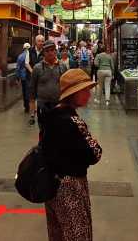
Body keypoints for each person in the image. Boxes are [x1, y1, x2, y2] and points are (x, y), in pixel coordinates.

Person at [43, 69, 102, 241]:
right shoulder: (73, 122)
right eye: (85, 90)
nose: (89, 95)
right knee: (78, 234)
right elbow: (94, 154)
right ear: (74, 94)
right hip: (71, 187)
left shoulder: (52, 116)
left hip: (52, 185)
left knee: (58, 233)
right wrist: (94, 143)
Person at [29, 40, 67, 129]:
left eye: (52, 50)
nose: (50, 53)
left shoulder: (63, 66)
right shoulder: (37, 68)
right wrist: (32, 112)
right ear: (43, 53)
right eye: (47, 51)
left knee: (59, 130)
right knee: (44, 130)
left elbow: (67, 87)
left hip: (59, 105)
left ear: (55, 51)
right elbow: (32, 89)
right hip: (43, 105)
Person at [16, 43, 33, 113]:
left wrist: (17, 78)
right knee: (29, 91)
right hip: (30, 76)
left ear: (23, 48)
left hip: (23, 77)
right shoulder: (31, 56)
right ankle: (29, 105)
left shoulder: (20, 56)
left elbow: (18, 68)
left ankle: (26, 106)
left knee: (24, 91)